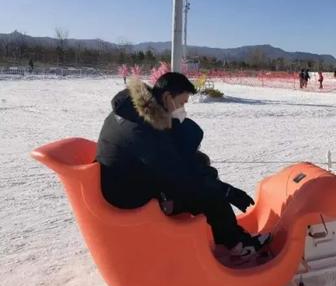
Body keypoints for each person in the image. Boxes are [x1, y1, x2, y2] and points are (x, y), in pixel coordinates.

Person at [96, 73, 270, 265]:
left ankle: (228, 237)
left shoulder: (135, 112)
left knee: (201, 173)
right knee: (209, 196)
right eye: (182, 102)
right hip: (130, 196)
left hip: (129, 181)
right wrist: (225, 190)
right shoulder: (141, 129)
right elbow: (178, 176)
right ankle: (239, 246)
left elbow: (170, 158)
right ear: (168, 97)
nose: (182, 109)